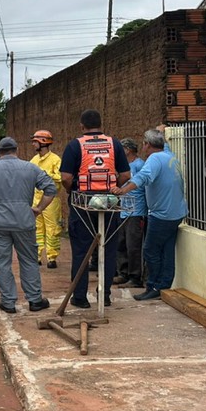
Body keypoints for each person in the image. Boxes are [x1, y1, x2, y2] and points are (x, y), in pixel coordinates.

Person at [0, 137, 57, 313]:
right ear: (16, 150)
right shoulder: (31, 168)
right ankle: (35, 300)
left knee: (2, 263)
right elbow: (51, 188)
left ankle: (8, 302)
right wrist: (39, 208)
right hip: (24, 222)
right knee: (29, 260)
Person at [59, 109, 131, 309]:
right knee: (108, 249)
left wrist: (72, 189)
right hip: (109, 203)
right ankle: (104, 295)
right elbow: (126, 175)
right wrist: (112, 186)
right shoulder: (114, 144)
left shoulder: (75, 146)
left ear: (82, 126)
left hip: (83, 204)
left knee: (81, 250)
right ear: (101, 124)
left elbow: (65, 177)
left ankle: (80, 297)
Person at [112, 126, 188, 301]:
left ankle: (153, 285)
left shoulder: (154, 159)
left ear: (147, 144)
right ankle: (164, 285)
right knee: (167, 250)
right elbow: (163, 145)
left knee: (150, 250)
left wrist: (123, 190)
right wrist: (160, 131)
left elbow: (142, 177)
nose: (143, 148)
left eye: (144, 144)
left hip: (161, 214)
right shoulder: (169, 155)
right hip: (176, 212)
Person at [112, 138, 146, 288]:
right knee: (121, 243)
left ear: (128, 150)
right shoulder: (123, 166)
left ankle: (135, 276)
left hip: (136, 210)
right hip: (123, 210)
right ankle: (123, 273)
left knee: (133, 245)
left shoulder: (140, 165)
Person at [29, 130, 63, 268]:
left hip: (51, 200)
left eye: (35, 141)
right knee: (36, 229)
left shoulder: (55, 160)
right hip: (36, 198)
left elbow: (60, 177)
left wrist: (45, 174)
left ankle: (51, 257)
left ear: (43, 142)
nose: (33, 144)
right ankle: (36, 255)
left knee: (52, 229)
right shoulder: (34, 160)